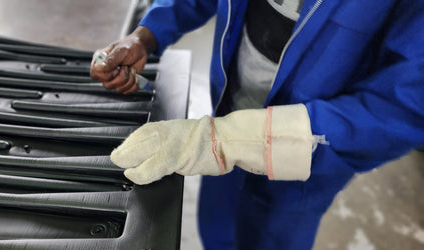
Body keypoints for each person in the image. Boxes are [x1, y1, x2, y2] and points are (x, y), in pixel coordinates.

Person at [90, 0, 424, 249]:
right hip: (227, 109)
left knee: (272, 237)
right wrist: (146, 34)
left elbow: (403, 107)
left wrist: (236, 141)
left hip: (306, 161)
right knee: (217, 229)